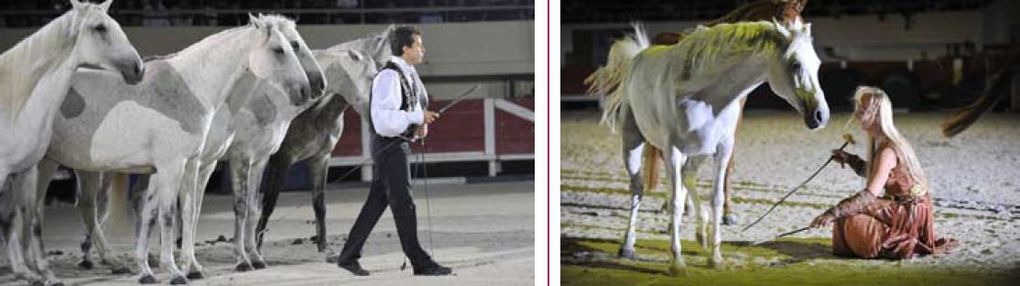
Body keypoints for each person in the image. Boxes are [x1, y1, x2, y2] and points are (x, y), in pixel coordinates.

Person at [335, 26, 452, 276]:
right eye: (419, 45)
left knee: (376, 203)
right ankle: (419, 261)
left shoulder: (408, 74)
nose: (423, 49)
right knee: (404, 204)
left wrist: (419, 124)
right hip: (389, 146)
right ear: (405, 48)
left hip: (397, 144)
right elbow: (383, 122)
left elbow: (408, 113)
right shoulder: (388, 77)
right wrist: (417, 116)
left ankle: (348, 255)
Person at [809, 86, 959, 259]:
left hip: (909, 211)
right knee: (847, 214)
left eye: (862, 110)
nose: (857, 114)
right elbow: (877, 174)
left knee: (850, 218)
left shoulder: (888, 150)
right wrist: (850, 160)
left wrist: (831, 213)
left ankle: (905, 242)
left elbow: (868, 196)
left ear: (877, 115)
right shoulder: (886, 144)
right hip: (907, 207)